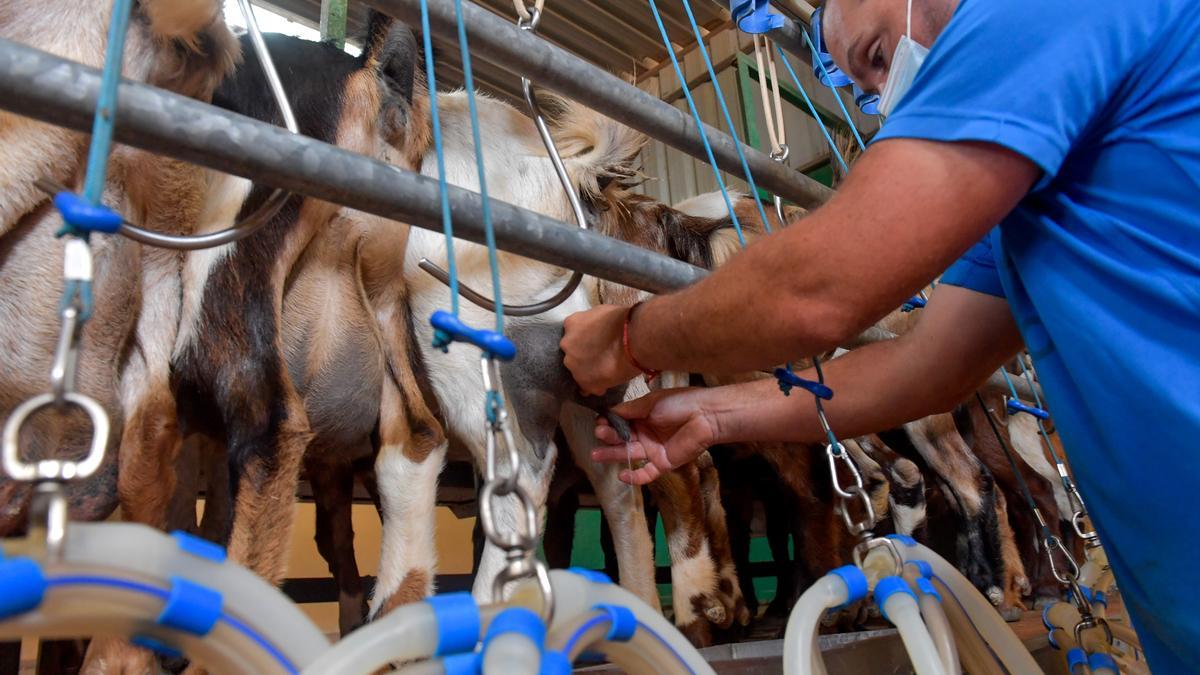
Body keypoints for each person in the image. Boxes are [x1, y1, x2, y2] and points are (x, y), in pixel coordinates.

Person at [559, 0, 1200, 671]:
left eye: (875, 56)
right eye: (866, 93)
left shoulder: (1037, 12)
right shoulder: (1016, 209)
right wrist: (712, 413)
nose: (887, 99)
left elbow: (822, 288)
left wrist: (631, 338)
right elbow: (926, 367)